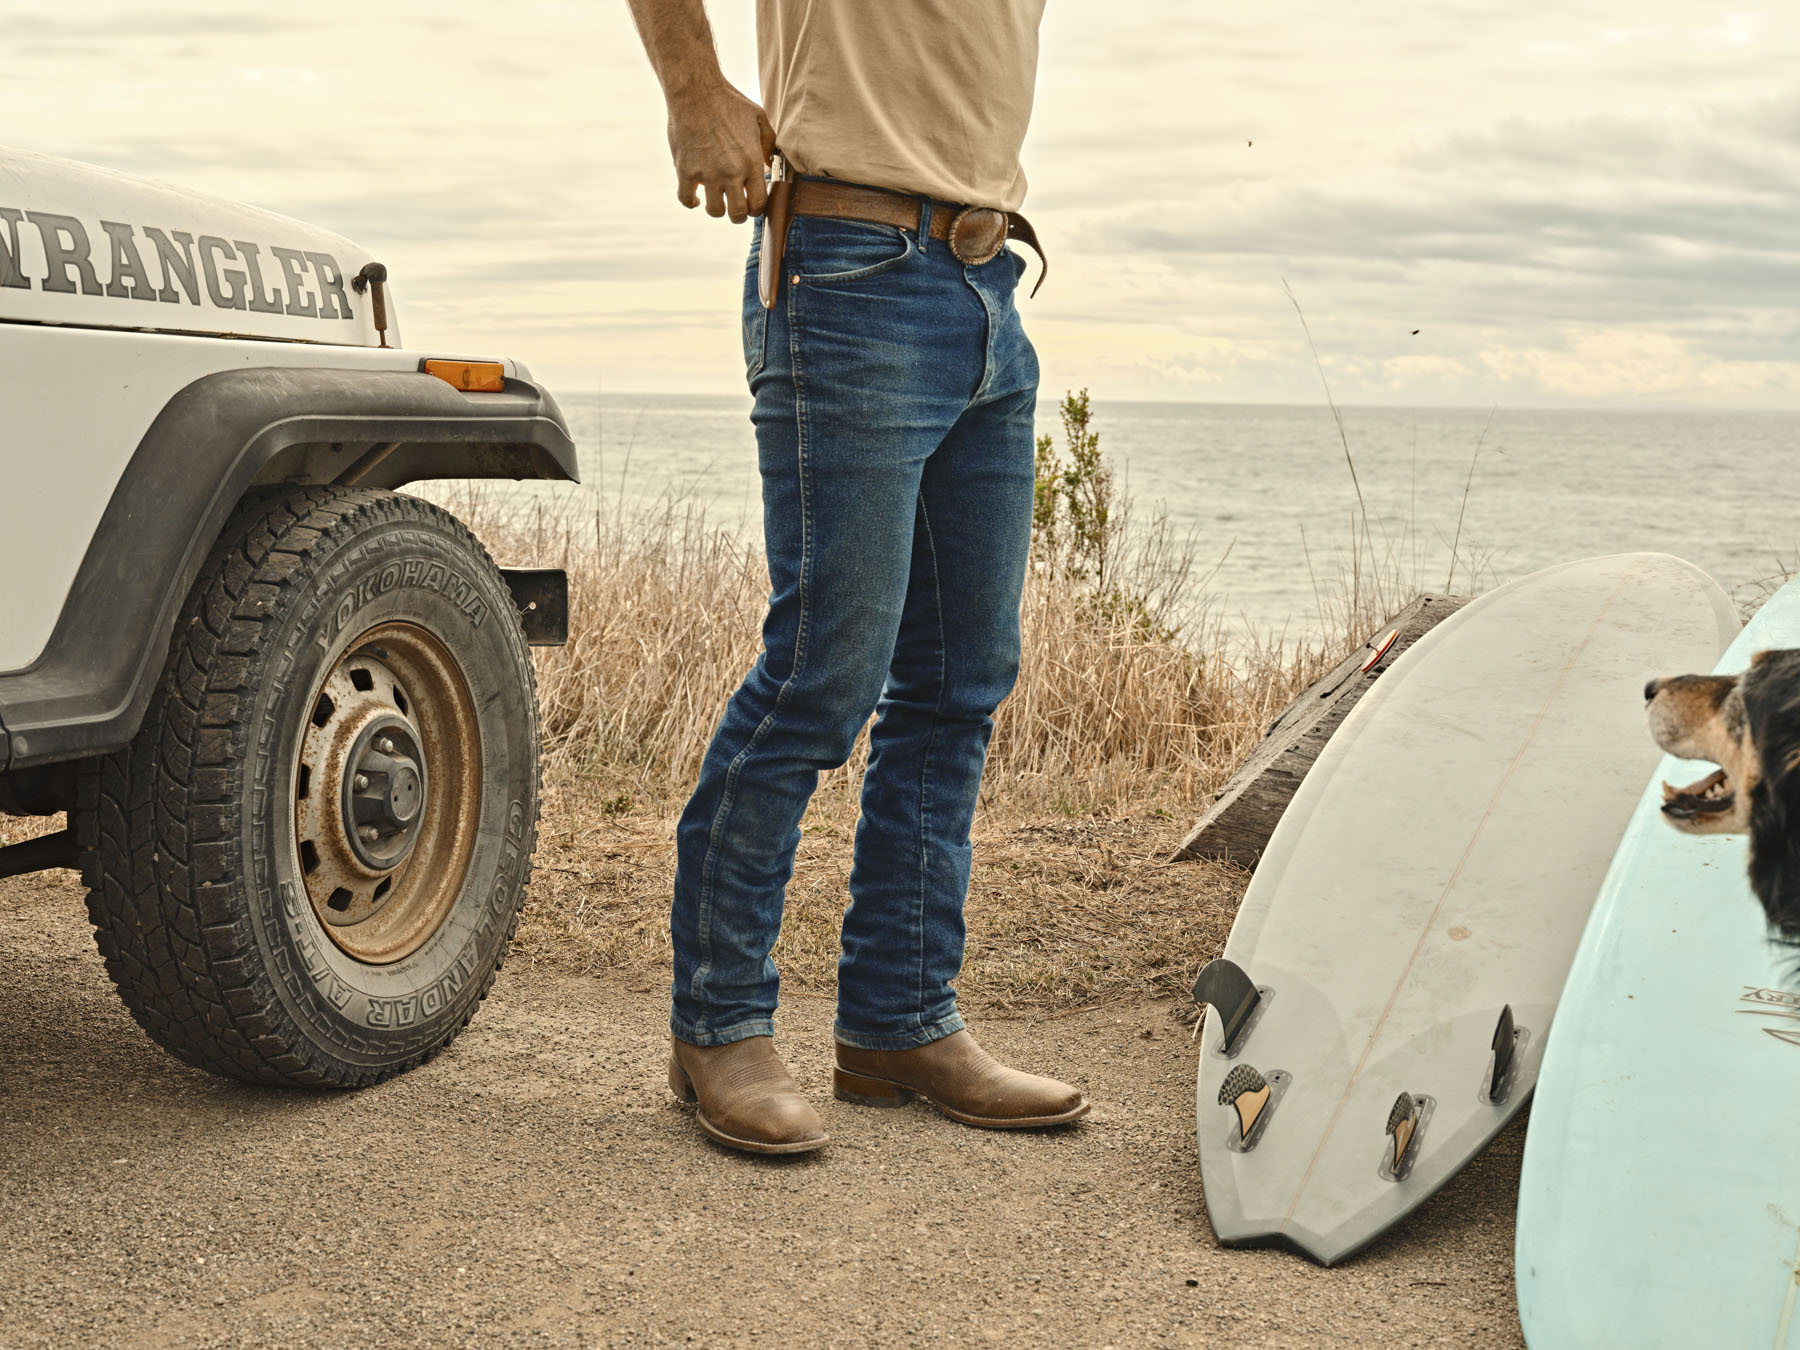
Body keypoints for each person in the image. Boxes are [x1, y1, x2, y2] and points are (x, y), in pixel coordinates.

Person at [626, 0, 1087, 1155]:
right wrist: (694, 90)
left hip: (988, 286)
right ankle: (720, 1024)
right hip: (850, 268)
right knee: (819, 681)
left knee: (958, 685)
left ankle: (899, 1022)